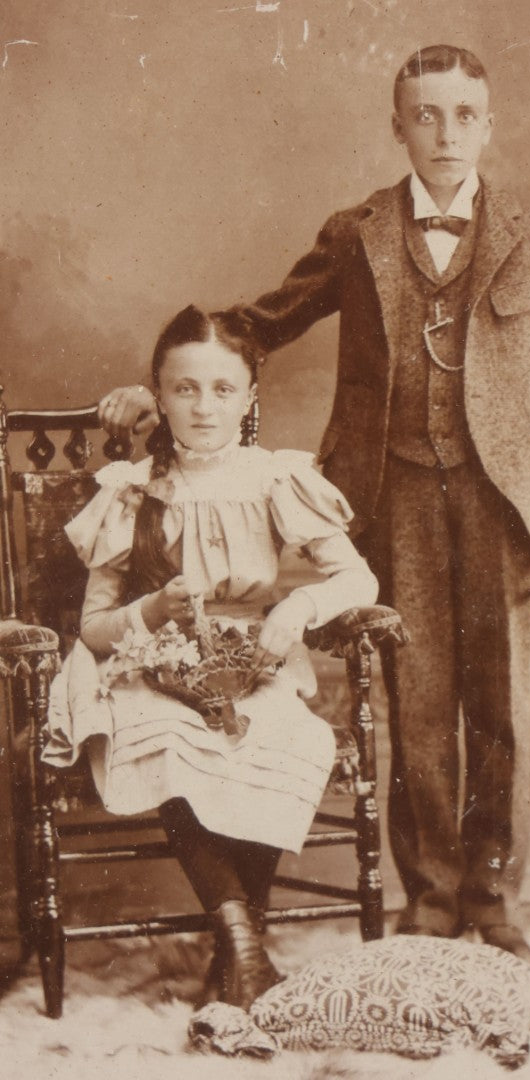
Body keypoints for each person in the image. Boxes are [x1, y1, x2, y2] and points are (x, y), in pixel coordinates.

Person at [100, 45, 530, 962]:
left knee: (500, 709)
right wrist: (160, 382)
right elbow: (260, 321)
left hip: (504, 505)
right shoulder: (357, 232)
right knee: (416, 703)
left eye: (462, 115)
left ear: (487, 124)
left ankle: (493, 899)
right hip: (391, 494)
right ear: (397, 125)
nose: (444, 134)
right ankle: (434, 899)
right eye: (425, 115)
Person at [43, 304, 378, 1010]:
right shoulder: (131, 490)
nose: (203, 407)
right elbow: (96, 627)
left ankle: (234, 959)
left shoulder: (274, 478)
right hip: (147, 666)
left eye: (223, 390)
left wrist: (296, 608)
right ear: (158, 395)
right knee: (166, 742)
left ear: (249, 398)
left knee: (277, 738)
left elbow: (357, 579)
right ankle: (248, 951)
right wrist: (151, 611)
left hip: (249, 659)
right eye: (185, 389)